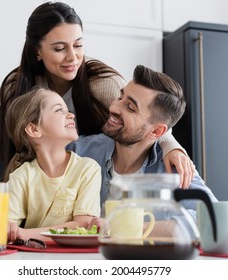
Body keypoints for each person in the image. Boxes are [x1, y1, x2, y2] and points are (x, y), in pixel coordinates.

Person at [0, 1, 195, 188]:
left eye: (78, 45)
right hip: (41, 184)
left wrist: (172, 146)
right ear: (37, 52)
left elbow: (149, 116)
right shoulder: (16, 87)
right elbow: (20, 150)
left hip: (92, 182)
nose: (72, 57)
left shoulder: (102, 84)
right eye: (59, 48)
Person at [67, 65, 218, 222]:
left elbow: (215, 217)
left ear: (156, 131)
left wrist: (139, 230)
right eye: (120, 97)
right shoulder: (78, 151)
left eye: (130, 108)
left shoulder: (174, 172)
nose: (114, 107)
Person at [0, 87, 101, 242]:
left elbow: (83, 225)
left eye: (67, 109)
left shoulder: (87, 168)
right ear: (34, 129)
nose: (71, 114)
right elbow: (3, 222)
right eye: (59, 110)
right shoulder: (21, 176)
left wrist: (25, 234)